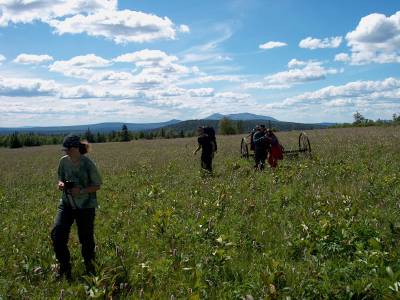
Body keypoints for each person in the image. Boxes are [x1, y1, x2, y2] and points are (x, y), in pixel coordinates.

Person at [51, 134, 102, 280]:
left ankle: (90, 267)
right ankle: (64, 267)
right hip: (66, 204)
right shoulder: (63, 162)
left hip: (85, 206)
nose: (65, 152)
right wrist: (61, 184)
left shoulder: (88, 164)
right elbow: (60, 178)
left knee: (86, 238)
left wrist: (80, 191)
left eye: (67, 149)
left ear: (75, 148)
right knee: (57, 235)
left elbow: (97, 185)